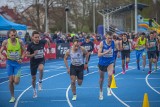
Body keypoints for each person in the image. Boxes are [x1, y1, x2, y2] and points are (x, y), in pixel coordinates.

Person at [0, 29, 26, 103]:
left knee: (16, 82)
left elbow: (24, 51)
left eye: (15, 35)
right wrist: (1, 56)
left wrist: (21, 58)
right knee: (11, 81)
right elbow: (0, 51)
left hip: (17, 64)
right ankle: (12, 97)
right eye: (12, 35)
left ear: (16, 35)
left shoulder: (20, 41)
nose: (13, 37)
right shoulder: (6, 42)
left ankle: (16, 78)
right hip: (9, 63)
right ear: (9, 35)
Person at [26, 31, 51, 98]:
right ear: (32, 38)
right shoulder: (30, 45)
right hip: (33, 62)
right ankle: (34, 91)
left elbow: (48, 40)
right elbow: (27, 56)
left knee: (41, 68)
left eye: (38, 37)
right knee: (33, 78)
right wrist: (34, 54)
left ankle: (40, 82)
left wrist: (49, 47)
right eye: (36, 37)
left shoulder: (42, 42)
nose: (37, 38)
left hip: (41, 60)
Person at [98, 32, 115, 100]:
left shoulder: (113, 43)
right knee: (101, 79)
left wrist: (118, 53)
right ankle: (101, 92)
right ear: (106, 37)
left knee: (110, 75)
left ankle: (108, 88)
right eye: (108, 38)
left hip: (110, 62)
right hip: (102, 63)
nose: (110, 40)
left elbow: (117, 49)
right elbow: (98, 55)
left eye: (111, 38)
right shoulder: (102, 43)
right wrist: (106, 52)